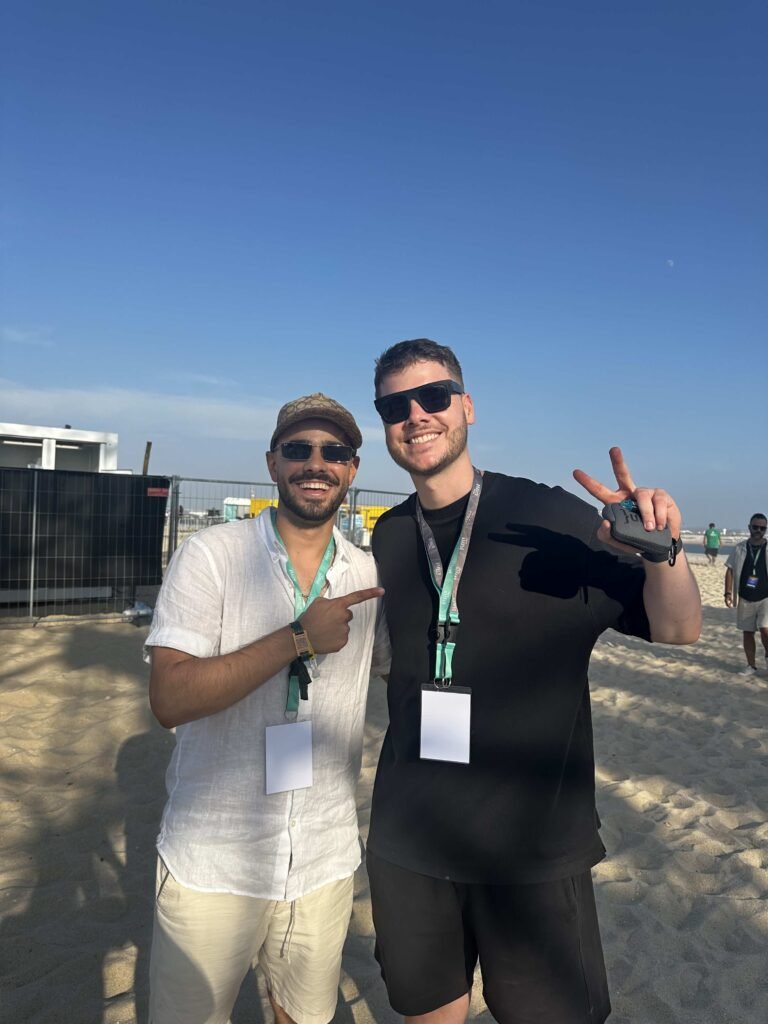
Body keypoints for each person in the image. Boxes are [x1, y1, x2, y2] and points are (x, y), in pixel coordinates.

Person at [366, 338, 701, 1024]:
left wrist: (660, 549)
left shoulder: (545, 517)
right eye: (395, 406)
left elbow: (678, 628)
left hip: (532, 845)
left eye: (433, 396)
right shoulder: (390, 535)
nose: (416, 415)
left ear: (467, 406)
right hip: (411, 838)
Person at [145, 393, 389, 1024]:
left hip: (323, 856)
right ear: (272, 463)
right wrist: (298, 638)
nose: (316, 464)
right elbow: (169, 698)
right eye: (298, 449)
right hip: (216, 857)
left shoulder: (367, 575)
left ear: (352, 468)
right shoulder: (212, 555)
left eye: (334, 451)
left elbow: (409, 671)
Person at [724, 513, 768, 676]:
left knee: (765, 630)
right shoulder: (739, 548)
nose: (758, 531)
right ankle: (751, 665)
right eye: (755, 527)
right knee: (748, 632)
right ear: (749, 527)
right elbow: (729, 570)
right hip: (745, 597)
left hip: (765, 597)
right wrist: (728, 592)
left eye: (762, 528)